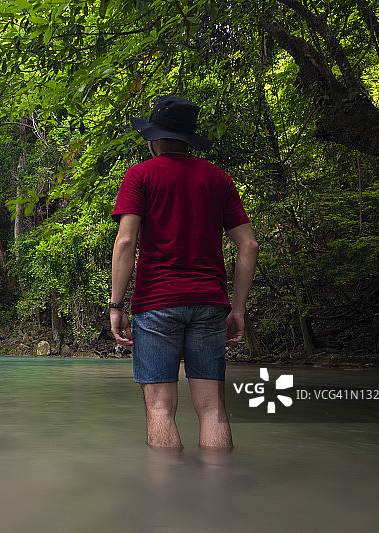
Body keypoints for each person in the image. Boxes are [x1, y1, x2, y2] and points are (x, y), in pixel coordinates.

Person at [109, 94, 259, 449]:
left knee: (160, 409)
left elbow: (126, 242)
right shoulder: (217, 179)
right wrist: (236, 309)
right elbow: (248, 245)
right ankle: (217, 494)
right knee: (212, 411)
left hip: (157, 304)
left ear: (154, 137)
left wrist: (116, 305)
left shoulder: (140, 176)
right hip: (209, 304)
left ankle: (167, 499)